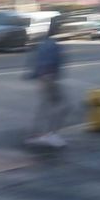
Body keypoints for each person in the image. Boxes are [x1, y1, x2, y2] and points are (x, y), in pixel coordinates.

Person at [25, 19, 69, 148]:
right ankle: (51, 134)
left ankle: (34, 135)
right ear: (56, 28)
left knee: (45, 107)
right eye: (60, 27)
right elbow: (45, 64)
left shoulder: (44, 43)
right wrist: (47, 79)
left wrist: (36, 76)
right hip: (49, 79)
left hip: (44, 79)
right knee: (63, 107)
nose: (61, 29)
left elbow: (35, 62)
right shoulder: (52, 44)